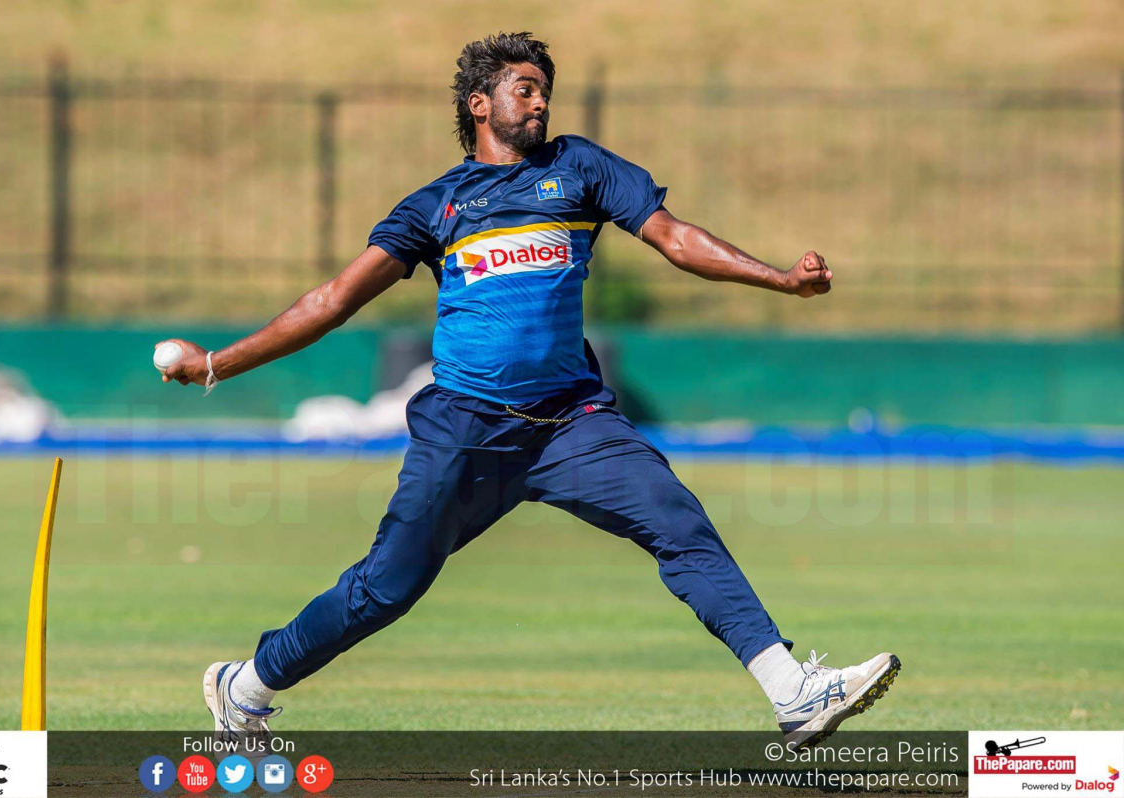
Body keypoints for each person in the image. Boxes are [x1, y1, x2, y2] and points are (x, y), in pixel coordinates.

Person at [160, 32, 898, 751]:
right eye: (525, 88)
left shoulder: (580, 167)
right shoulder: (438, 205)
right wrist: (215, 364)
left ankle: (792, 691)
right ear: (480, 104)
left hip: (571, 423)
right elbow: (331, 301)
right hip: (466, 429)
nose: (541, 101)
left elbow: (675, 238)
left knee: (677, 520)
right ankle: (244, 686)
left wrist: (780, 279)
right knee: (383, 590)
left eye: (545, 89)